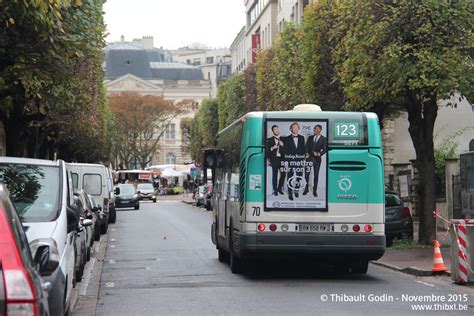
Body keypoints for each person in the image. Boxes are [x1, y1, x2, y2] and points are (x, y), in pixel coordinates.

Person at [282, 122, 306, 201]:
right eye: (293, 127)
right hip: (290, 161)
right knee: (290, 177)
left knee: (299, 177)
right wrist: (286, 161)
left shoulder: (302, 138)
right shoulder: (287, 138)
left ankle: (296, 190)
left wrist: (303, 159)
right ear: (291, 129)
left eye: (296, 127)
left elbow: (303, 149)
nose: (295, 129)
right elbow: (285, 150)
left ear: (298, 129)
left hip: (299, 161)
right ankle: (290, 193)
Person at [304, 124, 327, 197]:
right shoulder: (310, 137)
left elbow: (325, 149)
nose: (314, 130)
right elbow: (306, 146)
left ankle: (314, 190)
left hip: (317, 159)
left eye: (315, 129)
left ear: (319, 130)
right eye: (314, 129)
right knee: (306, 174)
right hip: (309, 158)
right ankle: (306, 189)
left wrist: (319, 153)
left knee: (316, 175)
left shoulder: (324, 139)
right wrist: (306, 153)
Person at [266, 125, 285, 196]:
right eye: (275, 130)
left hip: (282, 159)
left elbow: (288, 150)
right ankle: (275, 190)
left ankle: (279, 188)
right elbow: (267, 152)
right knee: (275, 175)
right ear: (273, 131)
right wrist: (272, 148)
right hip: (274, 159)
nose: (276, 130)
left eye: (277, 129)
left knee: (283, 174)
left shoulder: (284, 139)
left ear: (279, 130)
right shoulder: (269, 140)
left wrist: (283, 145)